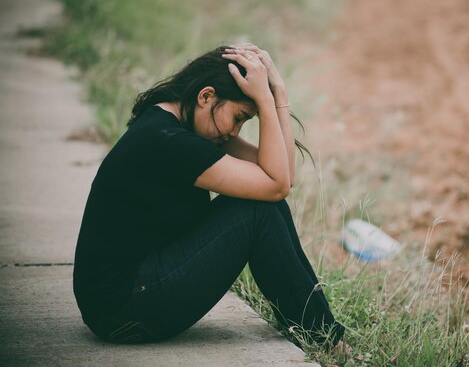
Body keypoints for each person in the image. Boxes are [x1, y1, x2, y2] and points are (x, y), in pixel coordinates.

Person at [72, 43, 349, 354]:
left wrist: (277, 94)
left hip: (131, 294)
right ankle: (325, 337)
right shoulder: (168, 142)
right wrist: (266, 102)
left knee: (265, 204)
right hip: (123, 311)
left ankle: (320, 331)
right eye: (239, 117)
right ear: (206, 96)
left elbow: (282, 177)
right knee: (257, 212)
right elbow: (277, 184)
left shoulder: (182, 126)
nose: (235, 132)